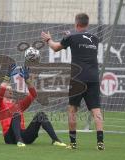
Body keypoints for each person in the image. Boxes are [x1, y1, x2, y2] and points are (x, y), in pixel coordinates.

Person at [41, 13, 105, 150]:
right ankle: (100, 143)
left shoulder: (71, 37)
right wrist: (70, 35)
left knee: (72, 110)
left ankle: (73, 143)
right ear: (87, 24)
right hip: (93, 78)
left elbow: (55, 47)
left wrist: (48, 40)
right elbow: (82, 39)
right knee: (96, 111)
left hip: (78, 79)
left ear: (76, 24)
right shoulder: (95, 39)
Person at [0, 64, 66, 147]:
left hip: (24, 136)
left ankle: (55, 140)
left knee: (40, 115)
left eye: (11, 89)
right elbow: (0, 91)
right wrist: (7, 77)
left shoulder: (19, 105)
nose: (10, 91)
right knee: (16, 114)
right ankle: (19, 141)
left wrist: (27, 80)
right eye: (7, 89)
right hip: (9, 137)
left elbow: (33, 94)